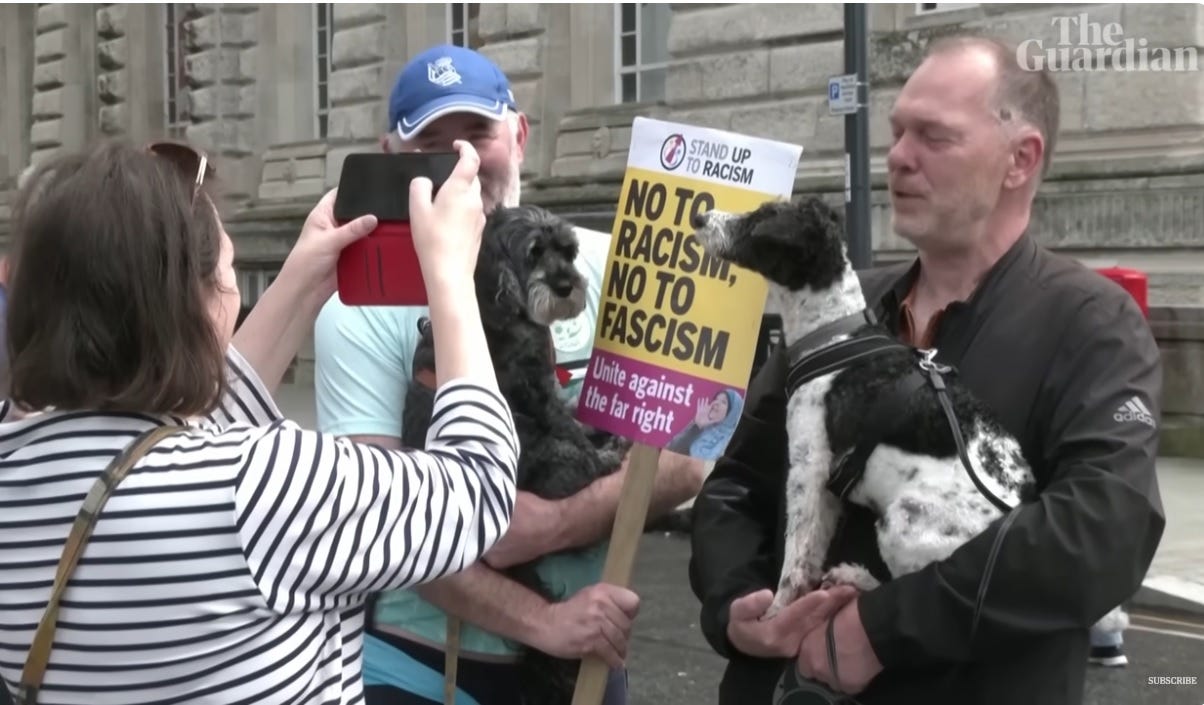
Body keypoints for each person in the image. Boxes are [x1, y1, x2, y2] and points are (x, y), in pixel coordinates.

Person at [688, 35, 1164, 705]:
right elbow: (738, 484)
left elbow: (1101, 530)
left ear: (1019, 159)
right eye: (897, 132)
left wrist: (880, 630)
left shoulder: (1091, 323)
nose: (898, 157)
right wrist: (735, 600)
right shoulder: (835, 314)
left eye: (933, 137)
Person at [0, 137, 519, 704]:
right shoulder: (262, 484)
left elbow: (158, 455)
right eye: (228, 270)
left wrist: (304, 279)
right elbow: (477, 487)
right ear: (190, 305)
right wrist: (451, 279)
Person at [313, 43, 705, 705]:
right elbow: (376, 523)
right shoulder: (358, 311)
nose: (462, 160)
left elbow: (692, 453)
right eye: (430, 143)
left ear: (519, 136)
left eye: (477, 134)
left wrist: (554, 522)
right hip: (417, 671)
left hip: (585, 659)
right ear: (390, 157)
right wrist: (545, 621)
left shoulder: (613, 269)